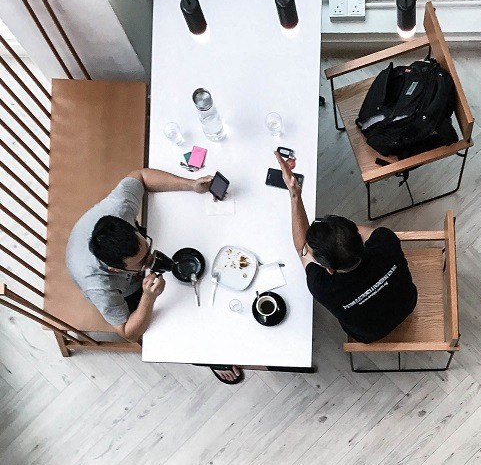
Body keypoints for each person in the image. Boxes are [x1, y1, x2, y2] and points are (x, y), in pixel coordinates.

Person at [66, 168, 244, 384]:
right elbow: (128, 333)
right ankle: (208, 355)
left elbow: (140, 176)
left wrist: (191, 184)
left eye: (147, 248)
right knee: (176, 323)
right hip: (127, 291)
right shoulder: (100, 285)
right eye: (142, 262)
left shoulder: (119, 209)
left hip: (124, 261)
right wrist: (148, 298)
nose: (151, 260)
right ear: (115, 269)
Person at [274, 151, 417, 343]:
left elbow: (302, 249)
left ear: (329, 269)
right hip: (408, 304)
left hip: (370, 335)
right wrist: (336, 232)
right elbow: (360, 232)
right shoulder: (385, 241)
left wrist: (295, 194)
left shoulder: (322, 287)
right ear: (359, 240)